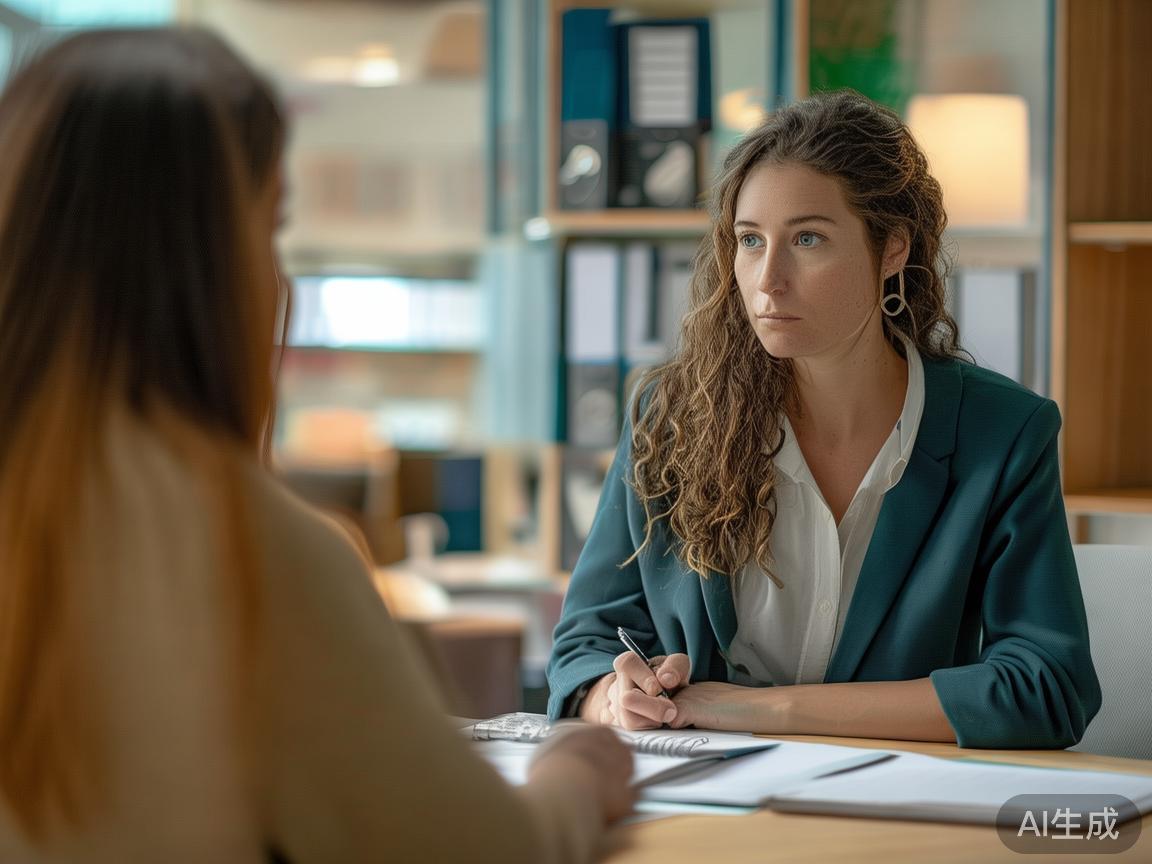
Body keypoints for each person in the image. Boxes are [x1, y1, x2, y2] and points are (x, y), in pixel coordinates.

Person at [0, 28, 632, 863]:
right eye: (271, 228)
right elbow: (479, 850)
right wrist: (580, 772)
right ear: (211, 268)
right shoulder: (245, 550)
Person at [547, 90, 1101, 750]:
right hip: (697, 803)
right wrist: (616, 699)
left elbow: (1046, 688)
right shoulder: (668, 416)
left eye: (808, 239)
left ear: (892, 247)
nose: (767, 280)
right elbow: (584, 643)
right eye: (750, 241)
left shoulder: (1003, 433)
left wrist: (756, 711)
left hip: (897, 821)